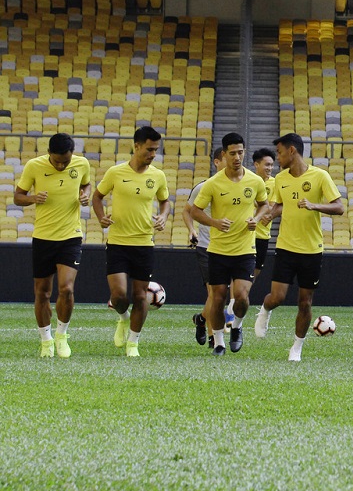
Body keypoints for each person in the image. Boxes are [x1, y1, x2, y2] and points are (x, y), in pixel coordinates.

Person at [254, 133, 345, 362]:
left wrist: (314, 205)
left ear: (292, 151)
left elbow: (339, 207)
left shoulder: (320, 176)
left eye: (280, 153)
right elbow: (279, 205)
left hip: (312, 250)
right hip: (285, 247)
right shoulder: (281, 179)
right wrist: (269, 215)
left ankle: (297, 346)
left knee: (305, 302)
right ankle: (264, 311)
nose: (278, 157)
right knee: (277, 297)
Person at [91, 126, 171, 357]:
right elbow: (97, 196)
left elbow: (165, 201)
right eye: (149, 149)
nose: (153, 154)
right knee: (118, 296)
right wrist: (100, 217)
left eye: (156, 150)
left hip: (144, 243)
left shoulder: (158, 175)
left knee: (140, 295)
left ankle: (133, 343)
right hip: (117, 242)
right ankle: (123, 318)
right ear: (136, 146)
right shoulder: (115, 172)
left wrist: (163, 216)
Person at [14, 133, 92, 358]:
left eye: (65, 161)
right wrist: (33, 198)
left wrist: (84, 196)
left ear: (71, 155)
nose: (61, 165)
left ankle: (61, 335)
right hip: (43, 237)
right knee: (42, 292)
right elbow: (18, 197)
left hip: (71, 236)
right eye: (57, 161)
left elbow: (86, 185)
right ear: (49, 153)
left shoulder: (82, 163)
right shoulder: (34, 166)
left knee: (66, 288)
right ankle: (46, 340)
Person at [189, 133, 269, 356]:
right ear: (223, 155)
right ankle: (219, 342)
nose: (237, 157)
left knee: (242, 297)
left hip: (245, 249)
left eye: (240, 152)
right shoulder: (213, 184)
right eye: (232, 153)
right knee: (217, 297)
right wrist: (214, 222)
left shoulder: (254, 181)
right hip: (218, 250)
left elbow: (264, 204)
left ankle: (237, 327)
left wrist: (257, 217)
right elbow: (194, 211)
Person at [183, 146, 224, 347]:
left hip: (230, 248)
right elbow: (187, 211)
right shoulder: (203, 187)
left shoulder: (241, 186)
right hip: (207, 246)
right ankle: (213, 337)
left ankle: (201, 319)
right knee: (214, 293)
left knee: (222, 295)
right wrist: (192, 230)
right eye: (228, 156)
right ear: (217, 162)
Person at [251, 148, 277, 284]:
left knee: (256, 271)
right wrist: (262, 205)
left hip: (262, 235)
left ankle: (239, 300)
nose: (270, 168)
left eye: (272, 165)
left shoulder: (274, 183)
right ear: (256, 164)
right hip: (246, 233)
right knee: (240, 271)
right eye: (267, 164)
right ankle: (233, 302)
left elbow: (271, 208)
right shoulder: (247, 180)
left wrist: (254, 202)